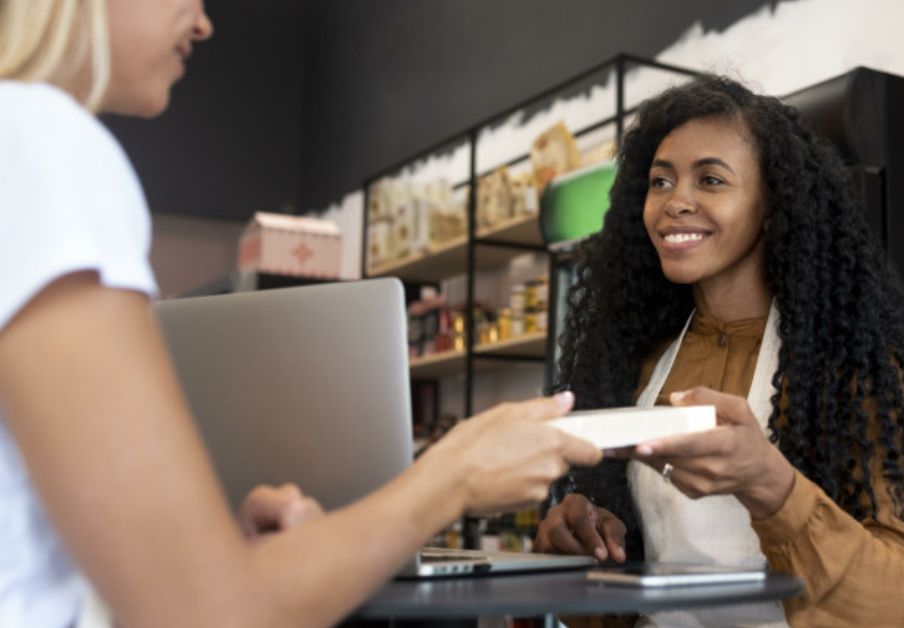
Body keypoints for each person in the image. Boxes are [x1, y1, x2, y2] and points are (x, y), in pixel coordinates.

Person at [0, 1, 601, 626]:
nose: (204, 23)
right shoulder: (46, 141)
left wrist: (214, 550)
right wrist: (452, 478)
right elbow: (203, 614)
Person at [533, 76, 904, 627]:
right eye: (660, 181)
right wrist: (575, 552)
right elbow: (612, 613)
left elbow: (901, 611)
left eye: (711, 179)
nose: (675, 202)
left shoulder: (847, 370)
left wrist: (771, 485)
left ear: (772, 203)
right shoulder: (640, 364)